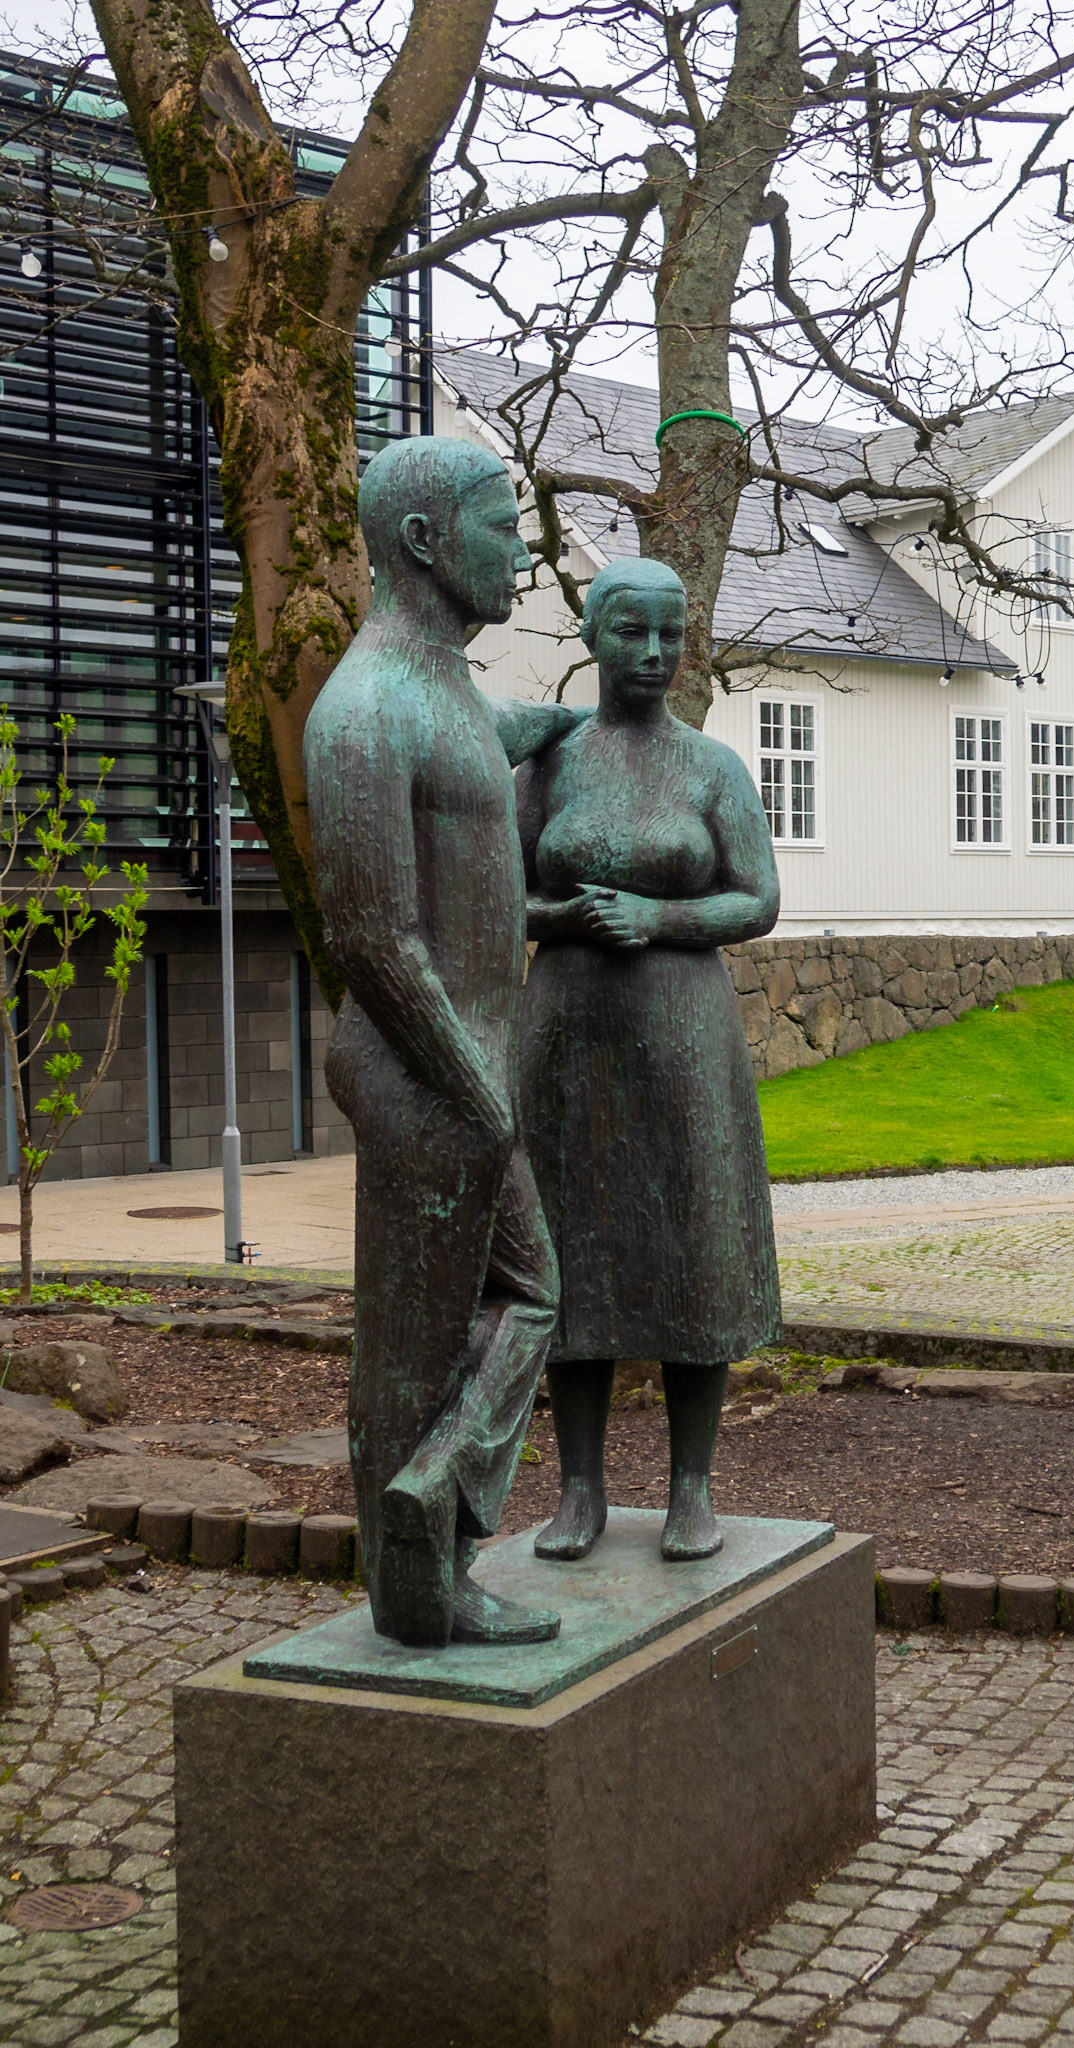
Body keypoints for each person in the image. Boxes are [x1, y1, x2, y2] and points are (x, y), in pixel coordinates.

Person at [304, 435, 582, 1648]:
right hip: (424, 1073)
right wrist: (478, 1093)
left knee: (530, 1294)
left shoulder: (448, 689)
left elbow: (497, 733)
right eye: (501, 525)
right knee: (410, 1344)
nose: (523, 550)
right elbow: (372, 935)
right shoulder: (364, 707)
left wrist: (579, 720)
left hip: (465, 1073)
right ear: (423, 542)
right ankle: (418, 1589)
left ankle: (433, 1505)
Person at [518, 557, 781, 1563]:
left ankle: (690, 1487)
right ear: (590, 634)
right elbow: (499, 892)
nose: (654, 653)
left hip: (681, 1036)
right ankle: (578, 1489)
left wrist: (660, 915)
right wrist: (563, 912)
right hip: (567, 1033)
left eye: (670, 634)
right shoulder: (547, 761)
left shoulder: (710, 767)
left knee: (689, 1246)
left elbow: (755, 897)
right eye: (632, 632)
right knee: (572, 1251)